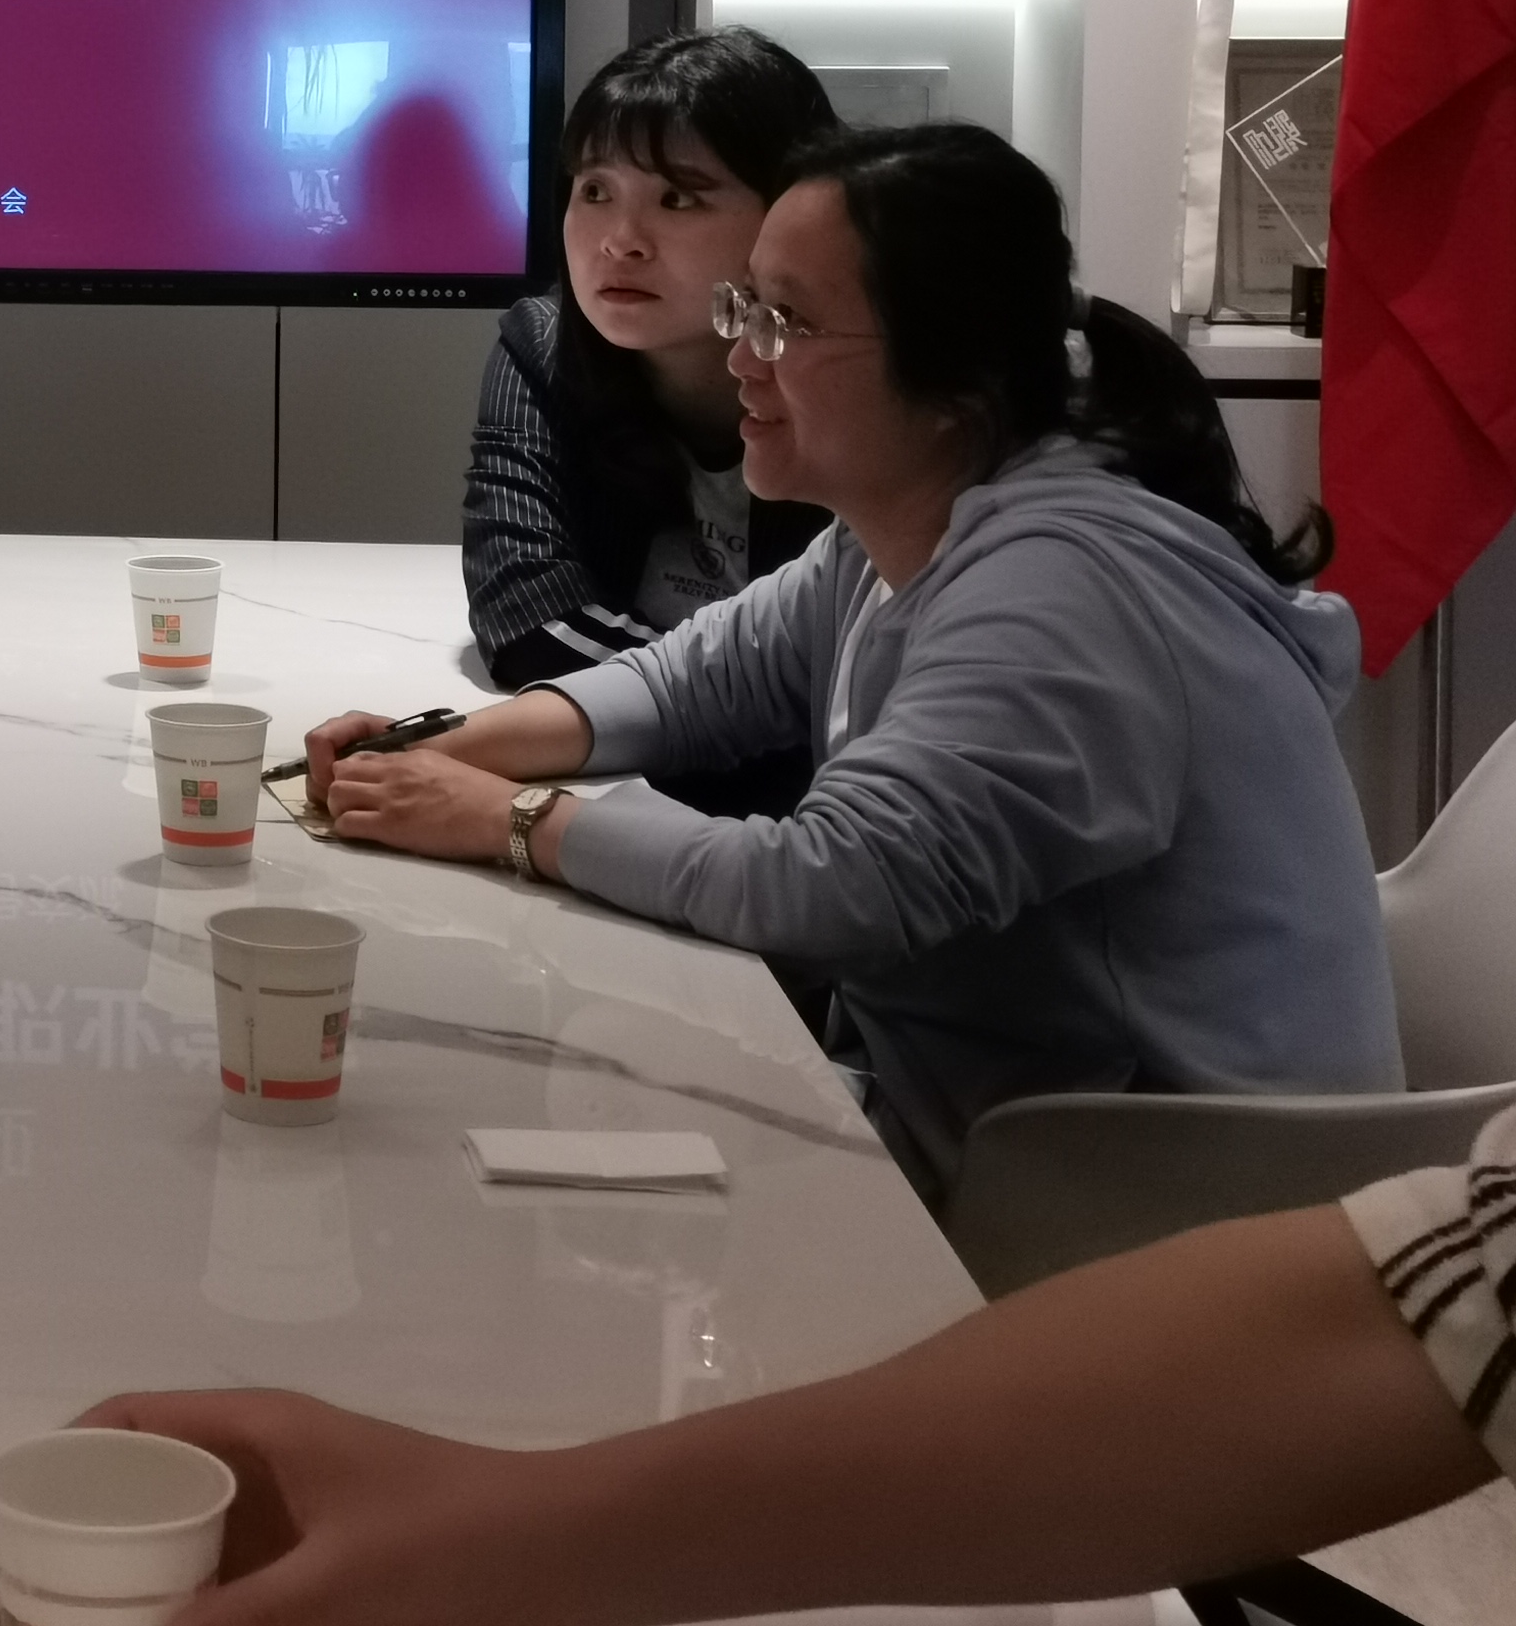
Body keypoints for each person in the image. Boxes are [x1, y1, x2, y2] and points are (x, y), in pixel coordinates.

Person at [311, 121, 1398, 1200]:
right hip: (996, 1138)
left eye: (782, 322)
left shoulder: (1064, 588)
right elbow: (687, 685)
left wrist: (508, 820)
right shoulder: (897, 527)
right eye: (745, 308)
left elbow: (828, 887)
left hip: (1162, 1215)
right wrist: (441, 747)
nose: (741, 356)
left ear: (957, 379)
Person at [84, 1107, 1509, 1626]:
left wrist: (527, 824)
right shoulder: (875, 573)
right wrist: (494, 1538)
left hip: (1120, 1151)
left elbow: (860, 871)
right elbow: (1413, 1315)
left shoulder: (1067, 576)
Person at [466, 29, 839, 818]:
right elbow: (527, 617)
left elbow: (852, 681)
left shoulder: (853, 374)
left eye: (679, 198)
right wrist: (737, 716)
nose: (620, 241)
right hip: (642, 792)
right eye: (595, 191)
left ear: (789, 212)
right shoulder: (543, 347)